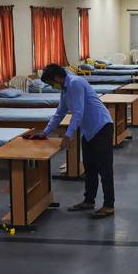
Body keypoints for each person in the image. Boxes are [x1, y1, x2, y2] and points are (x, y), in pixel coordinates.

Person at [25, 64, 115, 218]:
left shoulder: (75, 83)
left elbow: (78, 112)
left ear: (57, 78)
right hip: (89, 132)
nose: (52, 86)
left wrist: (68, 135)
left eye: (51, 83)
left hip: (101, 127)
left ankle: (109, 205)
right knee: (90, 168)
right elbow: (60, 113)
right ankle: (89, 200)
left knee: (104, 169)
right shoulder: (65, 89)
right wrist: (45, 133)